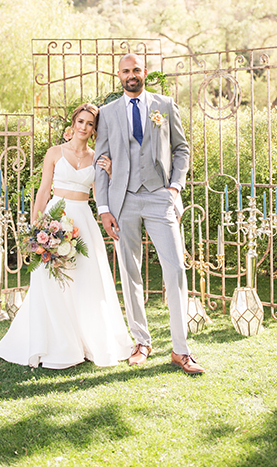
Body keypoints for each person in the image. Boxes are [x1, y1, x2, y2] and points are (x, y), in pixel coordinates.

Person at [0, 103, 133, 369]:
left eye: (90, 124)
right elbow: (44, 190)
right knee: (51, 281)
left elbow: (103, 194)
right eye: (81, 121)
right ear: (73, 123)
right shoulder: (54, 153)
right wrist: (37, 226)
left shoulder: (96, 157)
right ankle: (55, 343)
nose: (84, 127)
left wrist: (111, 173)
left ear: (94, 130)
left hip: (83, 220)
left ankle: (88, 342)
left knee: (85, 280)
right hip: (55, 217)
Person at [94, 54, 205, 375]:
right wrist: (103, 208)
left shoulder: (165, 105)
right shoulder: (108, 112)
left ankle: (181, 349)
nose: (132, 75)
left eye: (137, 70)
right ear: (119, 75)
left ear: (144, 73)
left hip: (159, 196)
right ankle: (141, 342)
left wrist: (174, 188)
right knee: (130, 272)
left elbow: (181, 148)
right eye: (126, 71)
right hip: (123, 199)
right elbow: (101, 159)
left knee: (175, 269)